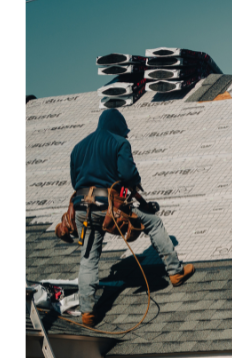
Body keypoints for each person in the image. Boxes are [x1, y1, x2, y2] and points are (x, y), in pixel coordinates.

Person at [69, 108, 194, 327]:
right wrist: (135, 190)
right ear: (118, 127)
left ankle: (87, 312)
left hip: (82, 207)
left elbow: (75, 181)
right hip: (108, 207)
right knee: (153, 223)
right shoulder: (119, 143)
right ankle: (175, 272)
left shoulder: (78, 148)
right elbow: (128, 176)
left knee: (88, 259)